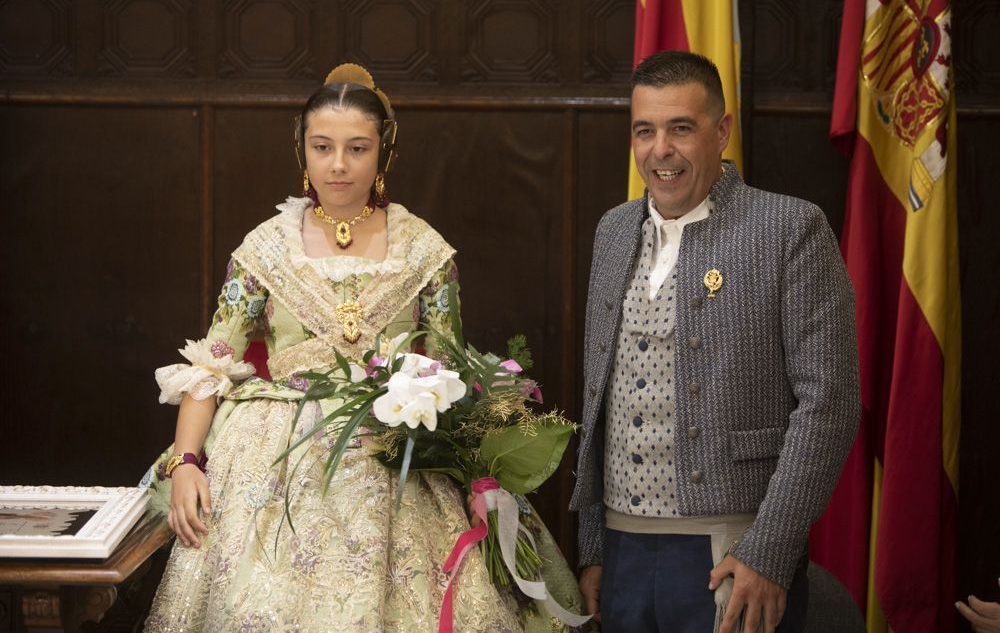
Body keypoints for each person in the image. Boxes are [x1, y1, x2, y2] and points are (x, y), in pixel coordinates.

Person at [140, 64, 581, 632]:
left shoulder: (425, 251)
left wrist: (474, 471)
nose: (339, 164)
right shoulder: (265, 247)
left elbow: (450, 373)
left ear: (384, 152)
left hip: (397, 456)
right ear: (302, 150)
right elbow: (211, 366)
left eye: (357, 147)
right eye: (322, 147)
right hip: (272, 460)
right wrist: (187, 462)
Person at [569, 50, 860, 633]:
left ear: (722, 131)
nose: (661, 150)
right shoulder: (612, 229)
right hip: (622, 552)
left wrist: (769, 551)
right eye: (645, 130)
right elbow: (599, 400)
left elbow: (830, 404)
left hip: (734, 551)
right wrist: (594, 546)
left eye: (681, 128)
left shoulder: (789, 230)